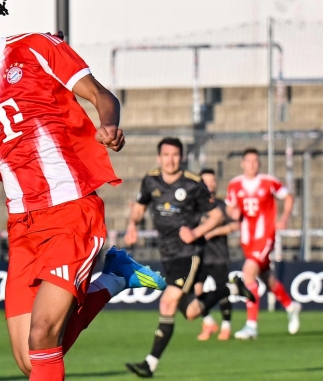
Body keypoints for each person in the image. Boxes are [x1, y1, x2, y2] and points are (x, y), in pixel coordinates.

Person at [0, 0, 167, 381]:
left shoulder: (35, 48)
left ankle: (109, 273)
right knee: (29, 359)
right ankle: (113, 278)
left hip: (71, 210)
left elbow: (101, 95)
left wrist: (108, 125)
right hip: (21, 225)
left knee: (42, 337)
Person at [123, 137, 254, 378]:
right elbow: (139, 208)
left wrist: (195, 232)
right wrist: (132, 225)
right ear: (159, 157)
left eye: (175, 155)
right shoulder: (150, 179)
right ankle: (232, 289)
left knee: (167, 303)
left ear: (181, 157)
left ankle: (149, 364)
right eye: (166, 155)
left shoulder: (193, 184)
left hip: (189, 255)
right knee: (192, 313)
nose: (170, 160)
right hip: (168, 255)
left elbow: (217, 216)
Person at [226, 147, 301, 340]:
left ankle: (251, 325)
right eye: (249, 161)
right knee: (267, 278)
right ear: (242, 163)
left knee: (248, 273)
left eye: (255, 161)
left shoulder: (269, 182)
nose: (252, 164)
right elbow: (230, 207)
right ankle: (291, 306)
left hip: (265, 235)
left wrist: (284, 218)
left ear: (259, 163)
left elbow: (289, 196)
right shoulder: (234, 185)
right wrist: (232, 213)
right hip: (247, 239)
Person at [194, 168, 240, 341]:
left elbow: (237, 225)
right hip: (200, 256)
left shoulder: (221, 206)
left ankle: (226, 326)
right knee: (196, 290)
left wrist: (217, 230)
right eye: (207, 181)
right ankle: (208, 322)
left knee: (222, 291)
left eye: (213, 181)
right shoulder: (195, 206)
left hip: (219, 255)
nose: (210, 184)